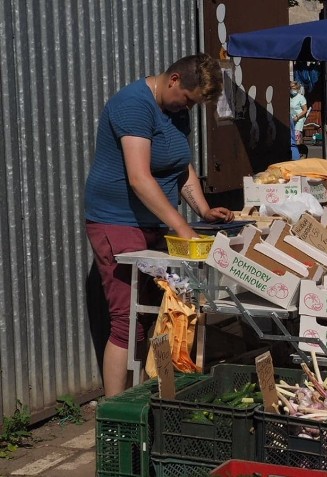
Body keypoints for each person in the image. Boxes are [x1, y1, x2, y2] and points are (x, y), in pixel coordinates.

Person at [85, 53, 233, 397]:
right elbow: (139, 178)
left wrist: (204, 209)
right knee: (127, 322)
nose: (188, 109)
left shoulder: (177, 111)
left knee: (161, 313)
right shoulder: (133, 105)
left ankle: (149, 394)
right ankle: (116, 410)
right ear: (174, 80)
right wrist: (182, 226)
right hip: (117, 222)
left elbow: (181, 166)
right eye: (188, 100)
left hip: (154, 223)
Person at [290, 80, 308, 145]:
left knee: (296, 138)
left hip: (298, 120)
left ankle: (297, 152)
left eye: (293, 88)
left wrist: (298, 116)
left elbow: (305, 110)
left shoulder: (301, 98)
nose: (292, 89)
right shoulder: (289, 97)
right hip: (291, 120)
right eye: (290, 88)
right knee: (290, 138)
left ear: (297, 89)